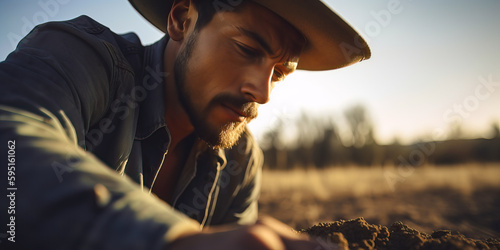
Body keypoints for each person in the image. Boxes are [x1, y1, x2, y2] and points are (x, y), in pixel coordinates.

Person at [0, 0, 370, 249]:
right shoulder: (80, 59)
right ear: (181, 19)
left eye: (279, 73)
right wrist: (176, 240)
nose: (261, 92)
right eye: (246, 49)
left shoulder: (241, 160)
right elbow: (11, 147)